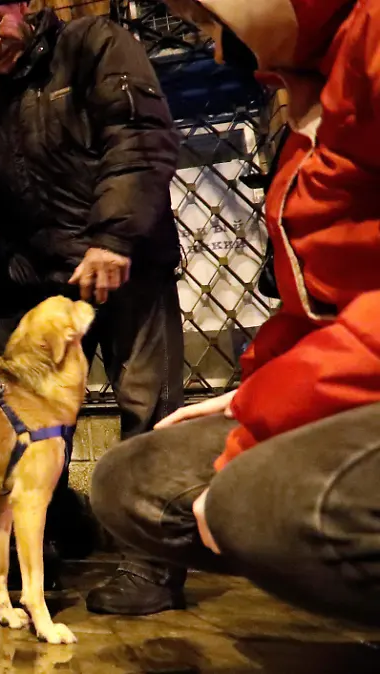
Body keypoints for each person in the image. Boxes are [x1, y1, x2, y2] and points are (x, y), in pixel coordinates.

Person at [91, 0, 380, 627]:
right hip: (357, 372)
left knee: (252, 502)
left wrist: (265, 409)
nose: (217, 52)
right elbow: (318, 300)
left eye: (210, 25)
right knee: (132, 480)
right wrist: (250, 388)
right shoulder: (312, 87)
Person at [0, 0, 187, 614]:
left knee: (147, 409)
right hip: (55, 287)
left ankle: (153, 565)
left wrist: (114, 238)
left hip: (130, 264)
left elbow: (139, 137)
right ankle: (36, 556)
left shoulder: (94, 43)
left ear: (22, 7)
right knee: (35, 422)